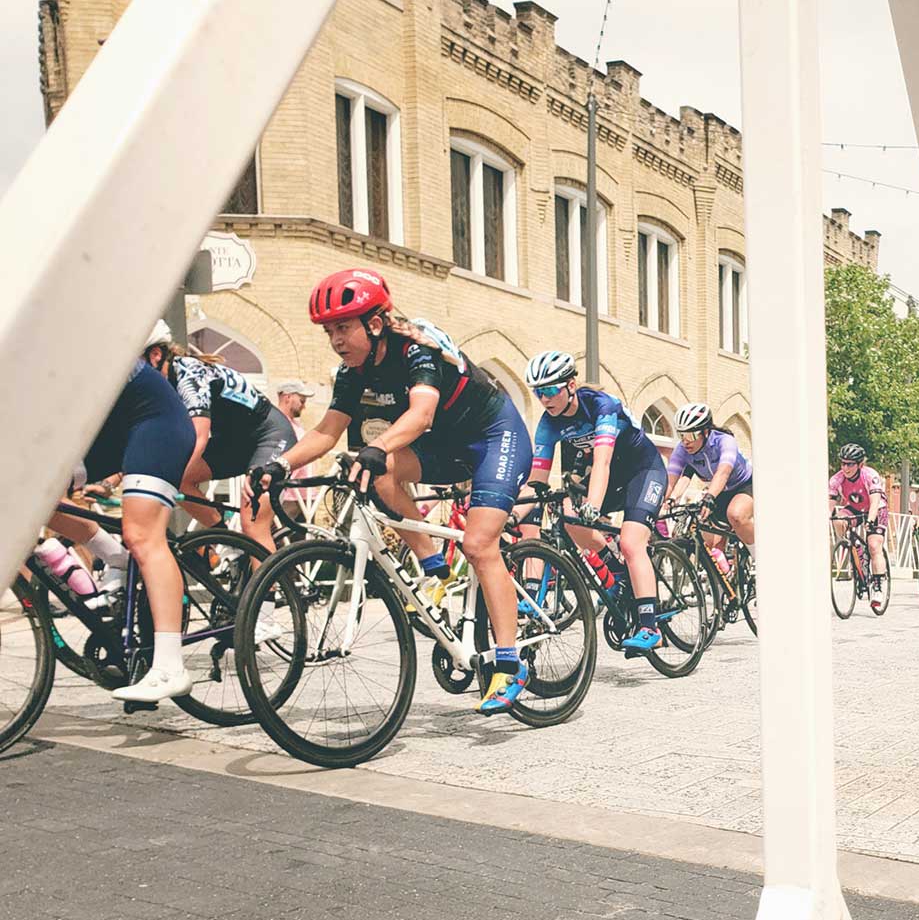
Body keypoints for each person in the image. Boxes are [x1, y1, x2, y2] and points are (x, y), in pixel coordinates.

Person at [252, 268, 535, 715]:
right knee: (377, 471)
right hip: (444, 446)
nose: (336, 340)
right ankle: (434, 568)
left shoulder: (417, 349)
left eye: (343, 327)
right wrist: (280, 464)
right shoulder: (351, 373)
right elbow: (327, 431)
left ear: (376, 324)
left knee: (481, 544)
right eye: (330, 332)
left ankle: (509, 662)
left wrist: (376, 446)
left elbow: (422, 414)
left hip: (494, 436)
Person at [49, 358, 197, 702]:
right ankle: (117, 558)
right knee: (34, 500)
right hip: (105, 425)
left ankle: (170, 667)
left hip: (154, 420)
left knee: (142, 535)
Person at [524, 351, 667, 654]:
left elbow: (601, 462)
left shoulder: (601, 406)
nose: (544, 398)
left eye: (550, 390)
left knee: (630, 542)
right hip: (611, 477)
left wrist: (592, 506)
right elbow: (537, 480)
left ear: (570, 385)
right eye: (538, 392)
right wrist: (515, 511)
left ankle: (649, 625)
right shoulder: (548, 424)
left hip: (643, 471)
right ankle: (616, 572)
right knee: (567, 516)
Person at [142, 324, 295, 552]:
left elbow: (199, 437)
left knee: (252, 523)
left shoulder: (188, 373)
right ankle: (225, 538)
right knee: (182, 480)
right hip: (234, 442)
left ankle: (271, 587)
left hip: (269, 435)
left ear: (155, 356)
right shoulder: (161, 387)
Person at [664, 403, 755, 558]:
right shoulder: (682, 449)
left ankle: (760, 558)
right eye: (682, 435)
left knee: (736, 515)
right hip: (718, 490)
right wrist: (666, 501)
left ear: (705, 432)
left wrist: (709, 497)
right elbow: (672, 480)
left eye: (691, 435)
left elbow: (723, 472)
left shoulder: (724, 441)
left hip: (744, 484)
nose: (685, 441)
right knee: (708, 537)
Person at [828, 443, 888, 599]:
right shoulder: (837, 479)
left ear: (860, 464)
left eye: (850, 464)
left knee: (874, 545)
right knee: (838, 519)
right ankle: (851, 548)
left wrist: (870, 520)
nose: (845, 468)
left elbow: (875, 502)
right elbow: (829, 506)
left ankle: (878, 586)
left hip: (876, 508)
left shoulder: (869, 475)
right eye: (843, 463)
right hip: (855, 507)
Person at [273, 379, 318, 519]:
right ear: (288, 397)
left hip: (305, 494)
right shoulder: (276, 423)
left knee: (305, 539)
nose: (304, 406)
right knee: (281, 537)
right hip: (289, 495)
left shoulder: (295, 424)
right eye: (302, 401)